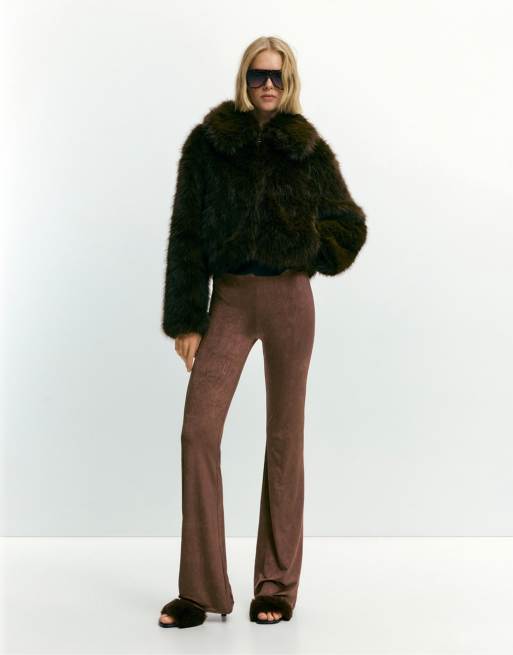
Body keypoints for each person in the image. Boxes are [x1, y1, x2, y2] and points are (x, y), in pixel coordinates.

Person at [158, 35, 367, 629]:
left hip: (289, 302)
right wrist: (186, 319)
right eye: (257, 75)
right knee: (199, 430)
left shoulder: (307, 148)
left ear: (289, 81)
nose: (267, 85)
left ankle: (275, 585)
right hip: (229, 299)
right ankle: (200, 590)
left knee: (284, 438)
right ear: (244, 80)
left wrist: (308, 250)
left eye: (276, 76)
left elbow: (349, 224)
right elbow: (186, 233)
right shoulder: (208, 144)